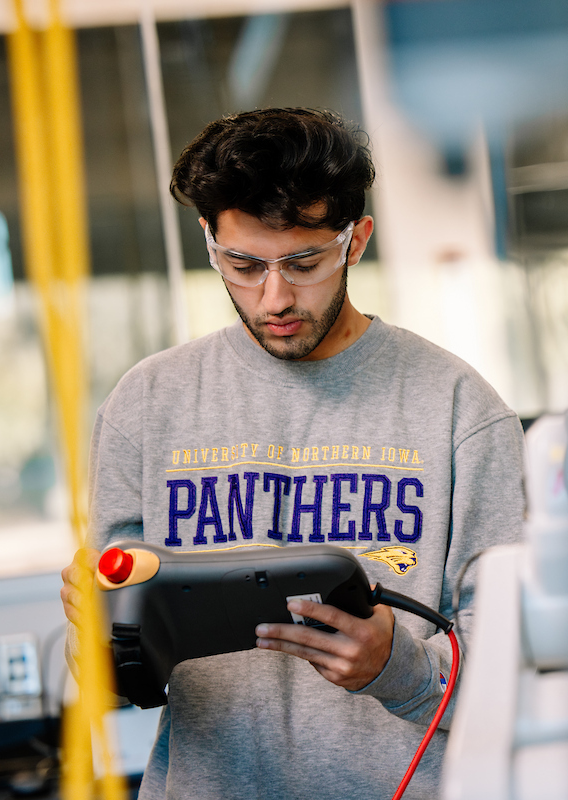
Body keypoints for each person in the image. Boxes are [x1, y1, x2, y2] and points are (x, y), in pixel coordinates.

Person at [59, 107, 525, 799]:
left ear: (355, 240)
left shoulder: (461, 409)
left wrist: (397, 668)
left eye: (303, 262)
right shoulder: (145, 404)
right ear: (210, 241)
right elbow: (118, 679)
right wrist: (98, 637)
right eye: (242, 264)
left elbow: (515, 674)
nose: (273, 297)